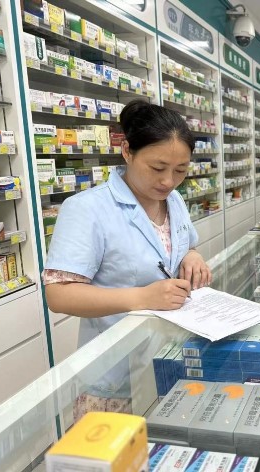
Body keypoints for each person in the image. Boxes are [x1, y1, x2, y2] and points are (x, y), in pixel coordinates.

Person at [43, 99, 211, 420]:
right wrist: (143, 298)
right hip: (114, 379)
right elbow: (59, 294)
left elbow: (181, 245)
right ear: (127, 151)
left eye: (180, 170)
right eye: (157, 168)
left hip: (169, 363)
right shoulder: (87, 209)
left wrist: (193, 255)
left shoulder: (174, 200)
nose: (168, 181)